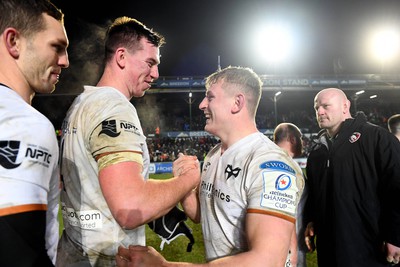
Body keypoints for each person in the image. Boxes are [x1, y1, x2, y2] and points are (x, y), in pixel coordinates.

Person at [116, 66, 305, 267]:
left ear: (237, 102)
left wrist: (164, 266)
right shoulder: (214, 155)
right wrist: (186, 189)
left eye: (210, 97)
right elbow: (203, 216)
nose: (201, 105)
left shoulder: (270, 165)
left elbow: (267, 261)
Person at [56, 16, 200, 266]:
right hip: (105, 258)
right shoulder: (114, 108)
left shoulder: (82, 103)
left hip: (73, 249)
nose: (155, 73)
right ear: (121, 57)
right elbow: (129, 207)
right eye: (150, 62)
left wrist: (159, 200)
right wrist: (188, 180)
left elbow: (104, 185)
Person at [0, 0, 69, 266]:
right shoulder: (26, 123)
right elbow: (17, 249)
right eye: (57, 47)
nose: (65, 61)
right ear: (14, 41)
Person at [304, 88, 400, 267]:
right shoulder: (317, 152)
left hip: (369, 249)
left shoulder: (376, 137)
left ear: (345, 106)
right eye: (316, 107)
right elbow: (315, 194)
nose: (320, 112)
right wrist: (311, 218)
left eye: (326, 106)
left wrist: (395, 236)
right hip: (329, 250)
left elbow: (396, 188)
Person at [273, 122, 307, 267]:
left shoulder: (267, 162)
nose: (303, 142)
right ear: (293, 140)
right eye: (301, 138)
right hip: (289, 246)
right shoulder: (286, 167)